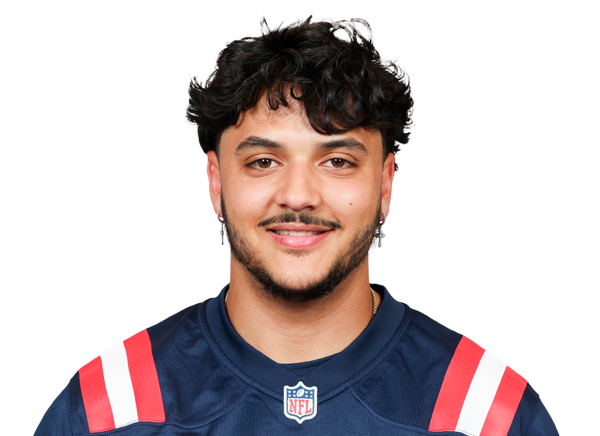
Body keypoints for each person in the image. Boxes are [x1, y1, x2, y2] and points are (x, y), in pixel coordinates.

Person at [34, 15, 558, 435]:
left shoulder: (487, 412)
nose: (299, 196)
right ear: (216, 182)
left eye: (338, 161)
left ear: (385, 183)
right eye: (263, 161)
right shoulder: (107, 407)